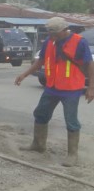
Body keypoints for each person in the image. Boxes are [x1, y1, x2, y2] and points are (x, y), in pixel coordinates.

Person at [15, 17, 94, 167]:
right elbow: (41, 61)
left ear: (65, 30)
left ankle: (72, 155)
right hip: (52, 86)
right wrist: (24, 74)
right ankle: (38, 144)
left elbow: (89, 64)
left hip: (71, 88)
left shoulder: (79, 41)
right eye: (51, 34)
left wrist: (91, 87)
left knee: (71, 121)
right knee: (40, 113)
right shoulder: (49, 41)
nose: (53, 37)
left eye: (56, 34)